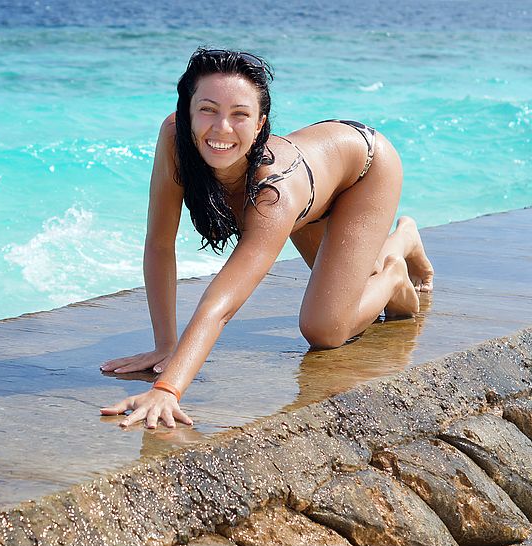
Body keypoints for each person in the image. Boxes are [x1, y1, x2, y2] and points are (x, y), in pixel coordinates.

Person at [99, 48, 434, 429]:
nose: (222, 128)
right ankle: (396, 247)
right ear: (187, 111)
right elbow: (160, 243)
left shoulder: (273, 195)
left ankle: (394, 267)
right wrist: (165, 345)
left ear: (260, 125)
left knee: (324, 328)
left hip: (363, 172)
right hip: (312, 189)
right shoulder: (174, 136)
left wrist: (168, 388)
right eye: (208, 109)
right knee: (347, 285)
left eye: (240, 114)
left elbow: (221, 304)